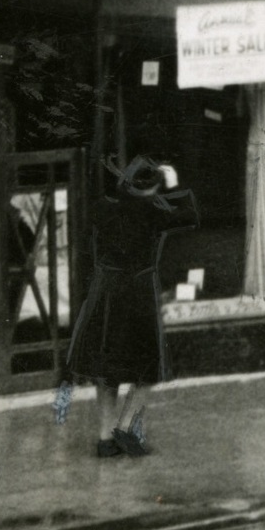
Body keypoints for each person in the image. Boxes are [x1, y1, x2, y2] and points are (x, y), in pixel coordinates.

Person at [67, 157, 198, 458]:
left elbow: (86, 249)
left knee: (106, 371)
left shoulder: (103, 207)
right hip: (138, 295)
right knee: (145, 371)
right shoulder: (153, 211)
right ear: (152, 188)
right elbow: (189, 214)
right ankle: (124, 430)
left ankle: (104, 439)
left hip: (106, 292)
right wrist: (174, 182)